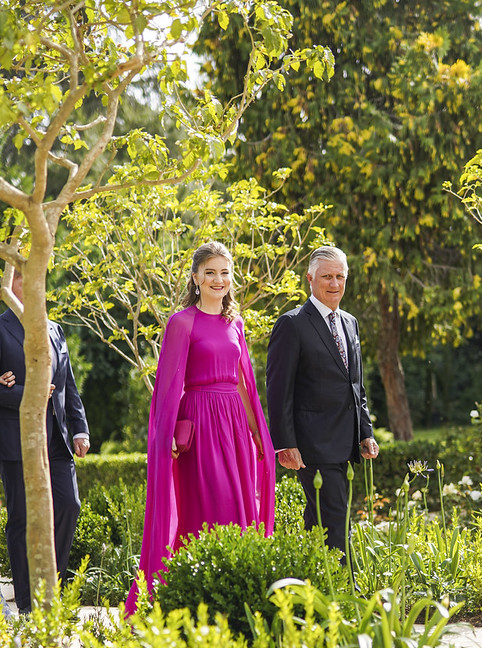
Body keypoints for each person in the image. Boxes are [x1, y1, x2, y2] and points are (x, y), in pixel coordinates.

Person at [125, 242, 275, 614]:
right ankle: (189, 601)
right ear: (195, 278)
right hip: (202, 425)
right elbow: (167, 386)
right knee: (209, 509)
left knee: (239, 511)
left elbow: (242, 383)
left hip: (235, 427)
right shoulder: (181, 322)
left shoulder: (235, 322)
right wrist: (167, 434)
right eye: (210, 272)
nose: (218, 280)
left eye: (224, 272)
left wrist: (257, 432)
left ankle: (234, 603)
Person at [266, 245, 378, 558]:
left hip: (345, 443)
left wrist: (365, 432)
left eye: (340, 276)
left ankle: (306, 579)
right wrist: (285, 443)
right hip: (312, 444)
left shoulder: (350, 322)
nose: (334, 283)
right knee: (337, 519)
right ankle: (345, 584)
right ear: (310, 278)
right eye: (327, 276)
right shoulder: (292, 324)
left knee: (320, 522)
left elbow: (356, 385)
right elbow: (278, 389)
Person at [0, 271, 90, 614]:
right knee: (22, 518)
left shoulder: (54, 329)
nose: (33, 282)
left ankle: (50, 593)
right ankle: (27, 603)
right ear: (9, 284)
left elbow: (69, 385)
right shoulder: (0, 328)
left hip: (56, 440)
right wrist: (27, 393)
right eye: (23, 276)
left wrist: (80, 429)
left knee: (69, 505)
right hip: (17, 440)